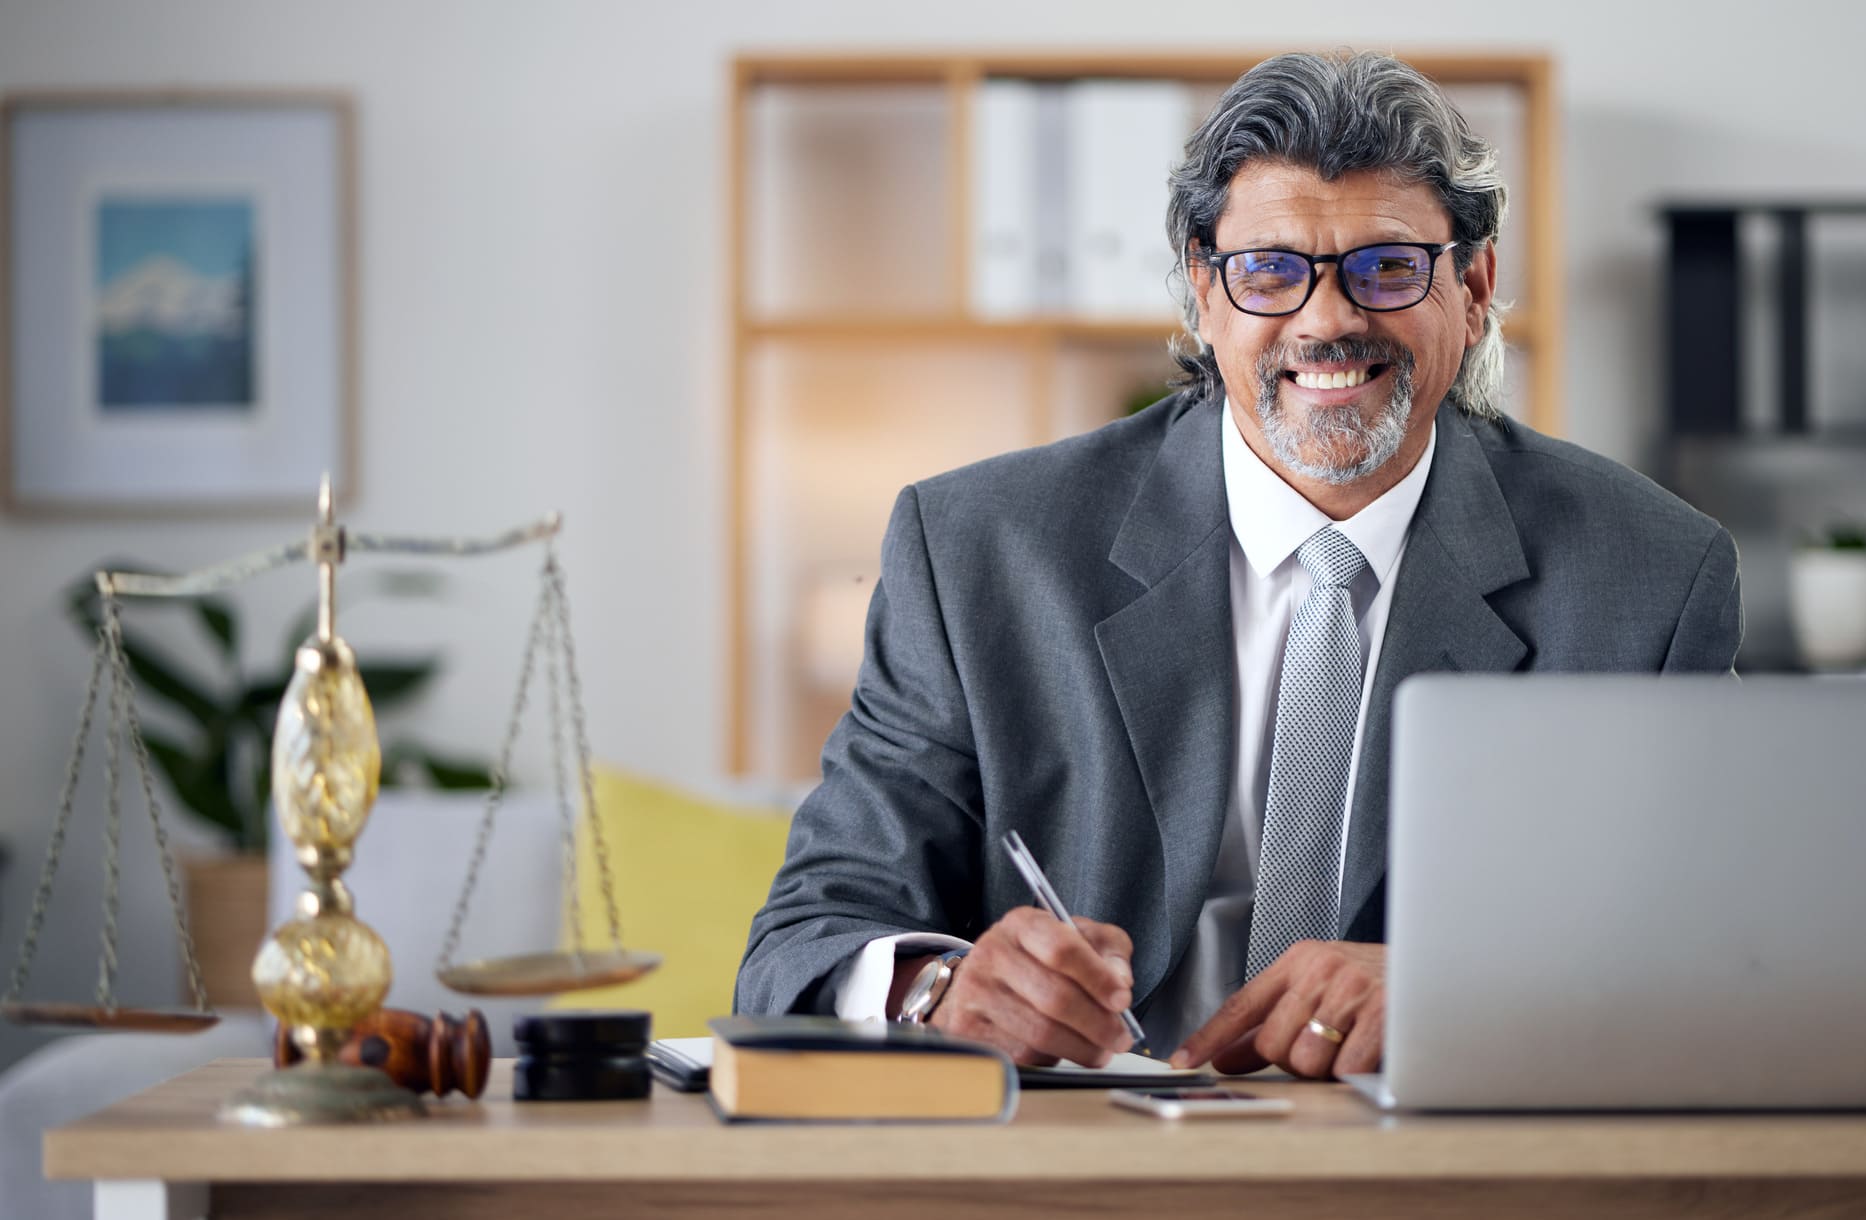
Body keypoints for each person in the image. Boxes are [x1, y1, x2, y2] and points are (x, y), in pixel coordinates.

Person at [734, 50, 1742, 1080]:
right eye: (1270, 272)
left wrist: (1469, 979)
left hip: (1429, 1159)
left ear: (1474, 286)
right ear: (1202, 298)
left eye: (1387, 266)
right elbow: (806, 936)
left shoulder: (1650, 576)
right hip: (1082, 1155)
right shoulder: (977, 551)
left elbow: (1732, 955)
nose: (1329, 320)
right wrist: (940, 992)